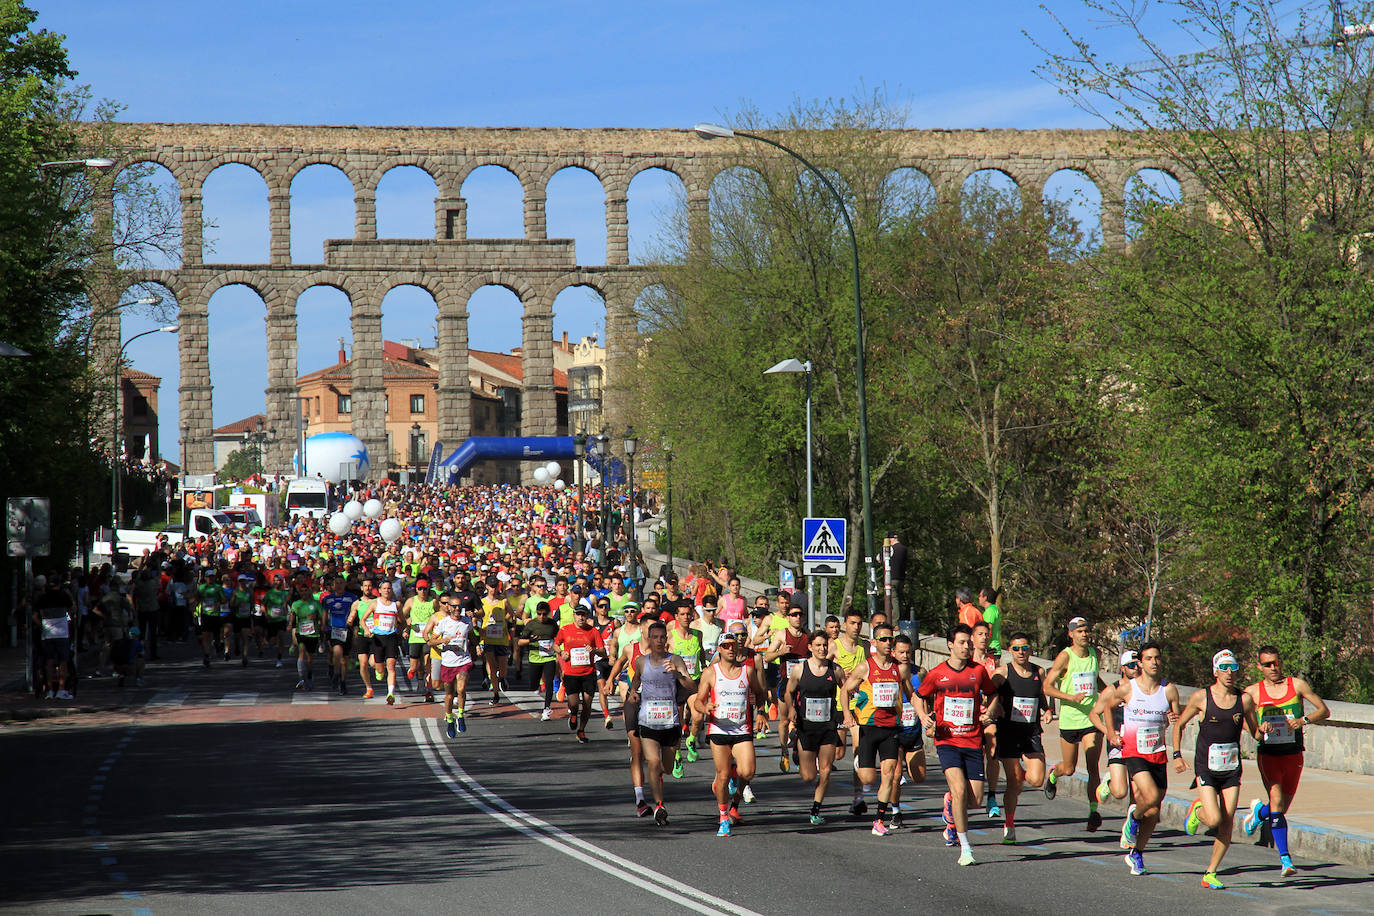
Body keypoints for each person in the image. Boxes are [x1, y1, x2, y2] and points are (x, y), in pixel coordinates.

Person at [1172, 649, 1261, 889]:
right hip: (1206, 768)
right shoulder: (1202, 698)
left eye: (1233, 667)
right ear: (1215, 671)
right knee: (1213, 819)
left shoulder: (1244, 700)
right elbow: (1179, 724)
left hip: (1231, 768)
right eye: (1224, 668)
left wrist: (1265, 732)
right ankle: (1198, 812)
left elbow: (1254, 731)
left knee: (1227, 821)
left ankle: (1210, 872)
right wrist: (1177, 755)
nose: (1230, 672)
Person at [1090, 641, 1181, 877]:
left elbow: (1176, 717)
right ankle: (1134, 815)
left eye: (1157, 658)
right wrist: (1110, 733)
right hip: (1133, 752)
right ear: (1141, 662)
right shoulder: (1128, 688)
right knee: (1149, 797)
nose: (1154, 662)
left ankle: (1136, 853)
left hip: (1157, 753)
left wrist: (1174, 717)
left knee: (1154, 812)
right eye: (1149, 658)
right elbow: (1108, 707)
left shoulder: (1168, 689)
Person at [1241, 644, 1331, 878]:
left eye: (1276, 662)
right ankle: (1285, 860)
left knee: (1279, 809)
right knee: (1278, 804)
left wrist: (1304, 720)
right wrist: (1257, 729)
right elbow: (1239, 717)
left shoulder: (1297, 685)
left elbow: (1323, 710)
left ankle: (1259, 812)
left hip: (1294, 755)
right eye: (1268, 664)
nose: (1273, 667)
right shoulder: (1253, 692)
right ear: (1259, 666)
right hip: (1268, 755)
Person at [917, 622, 999, 866]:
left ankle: (950, 802)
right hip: (948, 741)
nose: (967, 646)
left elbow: (993, 694)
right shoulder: (937, 674)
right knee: (960, 789)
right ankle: (965, 848)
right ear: (950, 645)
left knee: (974, 800)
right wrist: (924, 718)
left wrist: (990, 712)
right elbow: (918, 696)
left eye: (969, 642)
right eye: (962, 642)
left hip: (973, 741)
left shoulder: (979, 671)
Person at [693, 621, 770, 837]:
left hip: (741, 728)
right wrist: (705, 706)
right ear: (719, 649)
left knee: (748, 772)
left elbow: (760, 693)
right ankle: (724, 817)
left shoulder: (747, 671)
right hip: (718, 730)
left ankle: (734, 802)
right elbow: (698, 701)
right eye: (725, 645)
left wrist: (761, 712)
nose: (730, 648)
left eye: (732, 645)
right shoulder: (710, 673)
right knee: (724, 775)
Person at [842, 622, 912, 837]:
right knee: (867, 779)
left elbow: (911, 693)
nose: (888, 643)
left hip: (890, 727)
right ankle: (859, 763)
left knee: (890, 775)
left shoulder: (898, 668)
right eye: (883, 639)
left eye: (891, 639)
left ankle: (879, 819)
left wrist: (922, 711)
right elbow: (846, 690)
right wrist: (847, 714)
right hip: (869, 727)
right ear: (874, 642)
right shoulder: (865, 667)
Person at [627, 620, 699, 825]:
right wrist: (633, 692)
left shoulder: (675, 659)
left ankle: (660, 788)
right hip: (648, 722)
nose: (659, 640)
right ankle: (660, 806)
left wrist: (677, 674)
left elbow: (692, 686)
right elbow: (636, 681)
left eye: (662, 637)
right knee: (653, 762)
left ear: (666, 639)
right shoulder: (641, 661)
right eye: (655, 637)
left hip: (670, 722)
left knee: (666, 768)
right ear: (649, 639)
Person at [1041, 615, 1106, 831]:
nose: (1084, 634)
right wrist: (1070, 697)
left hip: (1091, 719)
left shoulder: (1094, 654)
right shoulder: (1065, 657)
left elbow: (1095, 679)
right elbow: (1047, 687)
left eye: (1086, 630)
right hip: (1070, 720)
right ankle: (1053, 774)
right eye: (1079, 631)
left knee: (1092, 767)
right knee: (1068, 768)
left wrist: (1110, 694)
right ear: (1071, 634)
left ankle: (1093, 812)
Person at [991, 631, 1051, 844]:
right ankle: (1009, 824)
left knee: (1036, 779)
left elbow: (1042, 694)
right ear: (1010, 650)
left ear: (1030, 650)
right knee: (1013, 783)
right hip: (1008, 733)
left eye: (1025, 648)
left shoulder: (1039, 671)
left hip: (1031, 732)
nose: (1021, 652)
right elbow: (989, 693)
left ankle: (1025, 773)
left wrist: (1047, 709)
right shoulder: (1002, 673)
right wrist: (994, 706)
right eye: (1016, 649)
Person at [783, 629, 844, 825]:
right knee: (809, 776)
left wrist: (852, 703)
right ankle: (797, 750)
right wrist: (791, 708)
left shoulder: (835, 670)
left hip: (827, 727)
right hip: (806, 728)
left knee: (825, 770)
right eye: (818, 645)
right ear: (810, 647)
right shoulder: (801, 669)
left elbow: (847, 689)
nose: (822, 649)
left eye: (825, 645)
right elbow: (789, 691)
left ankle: (816, 809)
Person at [829, 608, 869, 815]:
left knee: (858, 750)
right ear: (845, 624)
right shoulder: (835, 646)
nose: (856, 627)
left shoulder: (864, 646)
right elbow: (821, 666)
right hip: (837, 705)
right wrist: (836, 670)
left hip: (858, 706)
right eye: (852, 623)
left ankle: (858, 797)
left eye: (859, 623)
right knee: (837, 753)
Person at [763, 599, 810, 773]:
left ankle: (798, 748)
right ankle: (784, 750)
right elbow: (767, 657)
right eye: (793, 615)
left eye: (800, 615)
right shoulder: (782, 634)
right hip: (786, 682)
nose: (797, 618)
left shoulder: (807, 635)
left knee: (803, 720)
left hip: (804, 684)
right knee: (784, 720)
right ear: (788, 617)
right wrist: (781, 652)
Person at [424, 590, 476, 737]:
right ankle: (450, 719)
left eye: (460, 606)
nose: (458, 609)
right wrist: (442, 641)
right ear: (449, 607)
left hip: (464, 661)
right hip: (447, 663)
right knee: (449, 694)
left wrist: (478, 645)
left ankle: (460, 715)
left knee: (461, 689)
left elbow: (471, 634)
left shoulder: (466, 621)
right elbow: (431, 640)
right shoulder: (443, 623)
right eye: (455, 606)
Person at [889, 633, 926, 830]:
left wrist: (929, 720)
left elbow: (926, 698)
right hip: (893, 732)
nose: (905, 656)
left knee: (919, 776)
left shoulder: (920, 673)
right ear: (893, 652)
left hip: (913, 731)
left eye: (908, 652)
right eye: (901, 652)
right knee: (895, 775)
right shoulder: (887, 672)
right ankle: (895, 812)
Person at [555, 604, 606, 743]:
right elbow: (555, 643)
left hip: (588, 672)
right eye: (578, 614)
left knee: (588, 703)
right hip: (571, 672)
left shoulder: (593, 631)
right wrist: (561, 652)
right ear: (574, 615)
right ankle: (573, 714)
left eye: (583, 614)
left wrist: (594, 650)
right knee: (574, 704)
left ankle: (581, 730)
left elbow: (603, 651)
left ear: (587, 616)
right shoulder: (565, 630)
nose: (581, 617)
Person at [972, 620, 1002, 818]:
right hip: (970, 717)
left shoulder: (993, 661)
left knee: (992, 753)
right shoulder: (967, 661)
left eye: (986, 634)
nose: (984, 637)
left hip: (989, 715)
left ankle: (991, 796)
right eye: (980, 634)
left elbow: (998, 689)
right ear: (972, 638)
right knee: (974, 757)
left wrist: (990, 712)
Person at [33, 576, 75, 699]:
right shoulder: (63, 596)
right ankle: (61, 690)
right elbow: (73, 609)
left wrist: (43, 627)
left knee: (49, 661)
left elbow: (34, 616)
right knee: (63, 661)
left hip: (47, 633)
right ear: (59, 585)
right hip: (62, 633)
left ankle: (50, 690)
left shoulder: (42, 598)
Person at [367, 579, 405, 705]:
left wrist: (401, 630)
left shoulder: (396, 605)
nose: (387, 590)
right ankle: (379, 670)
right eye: (384, 588)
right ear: (379, 590)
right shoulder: (374, 603)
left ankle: (390, 693)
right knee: (379, 667)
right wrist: (367, 630)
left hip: (391, 638)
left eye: (389, 588)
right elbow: (363, 619)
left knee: (391, 667)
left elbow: (402, 621)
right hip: (378, 638)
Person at [403, 578, 439, 702]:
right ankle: (414, 671)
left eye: (425, 588)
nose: (422, 591)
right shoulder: (411, 601)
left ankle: (429, 691)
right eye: (420, 589)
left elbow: (439, 615)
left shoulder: (433, 601)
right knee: (415, 665)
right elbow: (401, 615)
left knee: (428, 662)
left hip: (428, 637)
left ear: (428, 589)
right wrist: (407, 623)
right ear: (416, 590)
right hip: (414, 637)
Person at [321, 575, 355, 695]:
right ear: (333, 585)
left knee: (345, 660)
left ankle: (343, 682)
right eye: (337, 583)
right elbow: (325, 613)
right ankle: (336, 673)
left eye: (341, 583)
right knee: (337, 652)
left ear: (345, 584)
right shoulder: (328, 599)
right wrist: (323, 627)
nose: (339, 585)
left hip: (347, 631)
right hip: (333, 630)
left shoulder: (352, 598)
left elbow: (355, 612)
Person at [288, 579, 323, 690]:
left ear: (309, 592)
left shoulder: (315, 604)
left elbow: (322, 616)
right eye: (301, 591)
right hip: (301, 632)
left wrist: (316, 618)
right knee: (301, 652)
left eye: (305, 590)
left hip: (313, 634)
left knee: (310, 659)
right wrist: (290, 624)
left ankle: (309, 674)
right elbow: (293, 616)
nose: (303, 593)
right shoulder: (296, 604)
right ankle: (301, 678)